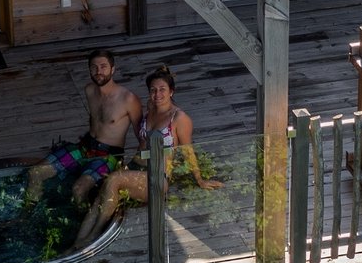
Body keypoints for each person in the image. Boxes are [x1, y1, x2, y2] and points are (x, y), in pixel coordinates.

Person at [74, 64, 222, 248]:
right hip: (135, 168)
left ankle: (92, 238)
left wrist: (199, 179)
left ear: (171, 92)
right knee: (101, 194)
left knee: (113, 180)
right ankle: (77, 242)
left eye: (162, 90)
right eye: (153, 90)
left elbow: (187, 150)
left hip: (156, 177)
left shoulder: (179, 118)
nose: (157, 94)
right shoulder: (150, 111)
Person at [26, 48, 141, 205]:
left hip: (109, 156)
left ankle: (79, 220)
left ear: (113, 69)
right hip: (84, 148)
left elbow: (141, 134)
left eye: (103, 66)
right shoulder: (89, 90)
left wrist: (135, 165)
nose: (98, 71)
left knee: (79, 189)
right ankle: (29, 213)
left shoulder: (128, 99)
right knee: (35, 172)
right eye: (94, 67)